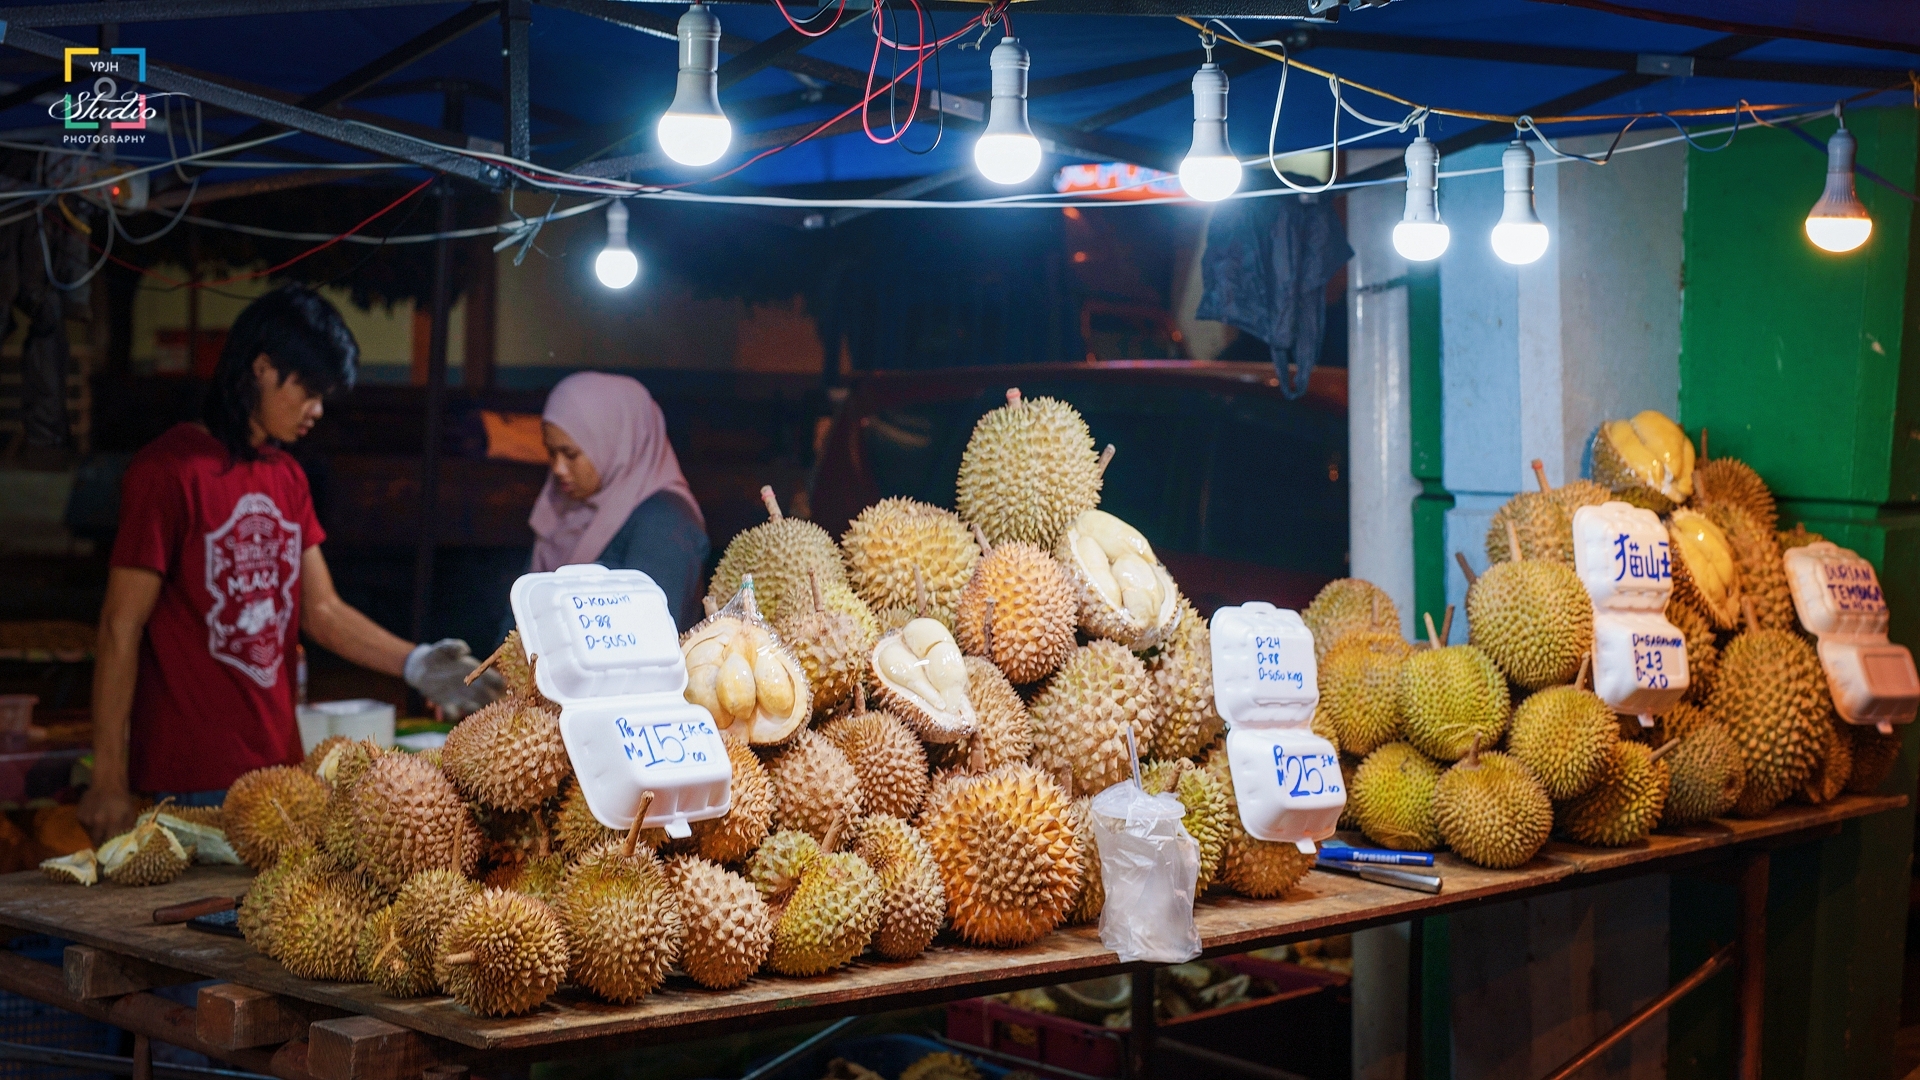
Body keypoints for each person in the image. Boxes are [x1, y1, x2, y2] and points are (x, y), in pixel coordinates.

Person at [77, 285, 498, 842]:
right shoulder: (168, 471)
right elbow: (118, 627)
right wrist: (107, 775)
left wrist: (417, 662)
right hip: (188, 777)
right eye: (309, 391)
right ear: (263, 369)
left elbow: (321, 611)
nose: (317, 411)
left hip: (280, 769)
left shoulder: (287, 477)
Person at [530, 372, 708, 630]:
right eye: (551, 452)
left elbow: (646, 637)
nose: (557, 468)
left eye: (570, 454)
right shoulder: (564, 505)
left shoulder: (666, 523)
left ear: (614, 442)